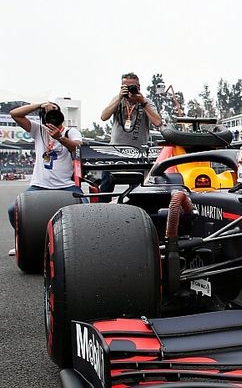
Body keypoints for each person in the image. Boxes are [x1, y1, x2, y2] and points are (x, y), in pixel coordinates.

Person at [7, 102, 83, 253]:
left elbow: (78, 148)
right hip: (39, 184)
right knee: (12, 210)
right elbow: (15, 114)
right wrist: (40, 105)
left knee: (84, 211)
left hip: (65, 184)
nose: (52, 115)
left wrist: (60, 138)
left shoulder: (71, 131)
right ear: (43, 117)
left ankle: (78, 246)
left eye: (55, 111)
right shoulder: (38, 130)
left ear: (61, 116)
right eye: (48, 112)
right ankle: (23, 242)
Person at [98, 72, 162, 200]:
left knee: (137, 190)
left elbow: (158, 122)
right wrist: (119, 97)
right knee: (105, 188)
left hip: (138, 152)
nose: (128, 89)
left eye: (132, 86)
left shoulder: (146, 102)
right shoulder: (118, 100)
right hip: (115, 152)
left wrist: (142, 103)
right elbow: (104, 117)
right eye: (125, 86)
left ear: (139, 87)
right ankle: (102, 210)